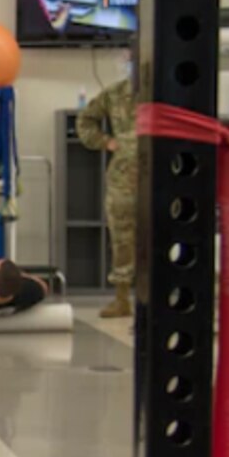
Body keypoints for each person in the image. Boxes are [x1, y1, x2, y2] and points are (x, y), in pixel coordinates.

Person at [77, 59, 137, 319]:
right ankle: (122, 299)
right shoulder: (115, 93)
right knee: (122, 238)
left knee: (162, 236)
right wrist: (107, 142)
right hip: (124, 178)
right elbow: (85, 121)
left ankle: (164, 296)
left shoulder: (165, 93)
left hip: (164, 174)